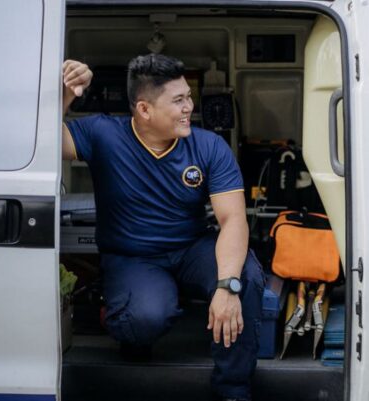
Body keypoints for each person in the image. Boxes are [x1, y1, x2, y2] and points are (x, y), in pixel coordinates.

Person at [61, 54, 262, 401]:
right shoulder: (102, 134)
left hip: (190, 248)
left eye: (188, 96)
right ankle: (130, 326)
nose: (190, 107)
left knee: (245, 277)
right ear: (144, 110)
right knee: (145, 319)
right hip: (133, 257)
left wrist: (227, 287)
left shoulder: (208, 146)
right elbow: (41, 139)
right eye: (179, 100)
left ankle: (233, 389)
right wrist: (65, 93)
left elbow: (233, 219)